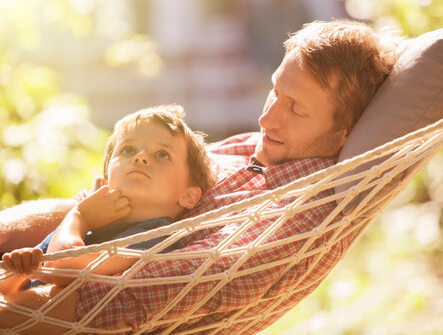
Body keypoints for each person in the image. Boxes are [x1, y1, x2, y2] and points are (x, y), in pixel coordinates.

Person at [0, 19, 397, 333]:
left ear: (343, 131)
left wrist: (68, 241)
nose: (266, 118)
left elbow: (177, 284)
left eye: (296, 109)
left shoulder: (303, 210)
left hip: (72, 301)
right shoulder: (260, 143)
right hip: (60, 256)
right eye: (275, 91)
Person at [0, 104, 215, 293]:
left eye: (162, 154)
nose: (140, 157)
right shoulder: (85, 230)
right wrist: (20, 269)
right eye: (128, 149)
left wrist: (79, 215)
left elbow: (65, 267)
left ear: (188, 196)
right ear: (104, 185)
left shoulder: (156, 237)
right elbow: (7, 290)